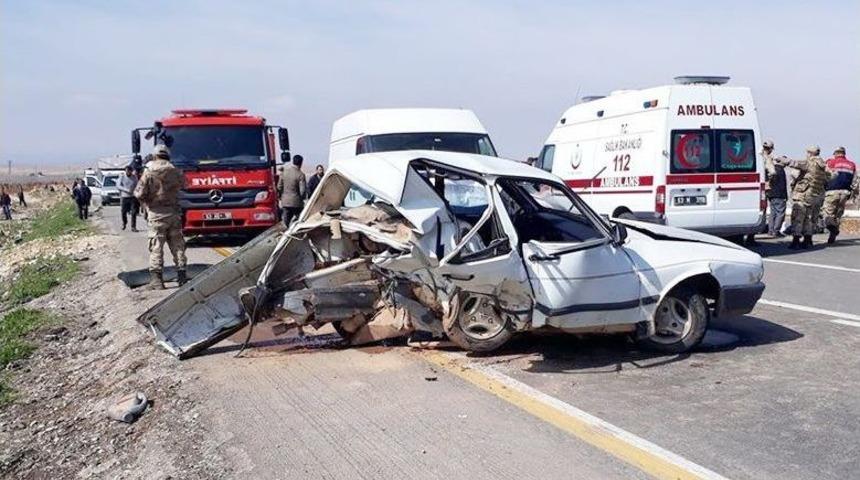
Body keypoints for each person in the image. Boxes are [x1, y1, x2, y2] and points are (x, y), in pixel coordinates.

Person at [134, 145, 187, 289]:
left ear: (155, 155)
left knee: (156, 246)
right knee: (178, 245)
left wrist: (147, 202)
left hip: (156, 214)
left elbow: (139, 193)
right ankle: (182, 276)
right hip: (174, 213)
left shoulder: (149, 171)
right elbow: (185, 185)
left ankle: (157, 281)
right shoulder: (175, 170)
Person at [777, 146, 829, 249]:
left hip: (804, 195)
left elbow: (794, 163)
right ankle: (808, 240)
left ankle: (796, 241)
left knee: (798, 217)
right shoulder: (823, 166)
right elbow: (832, 176)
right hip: (816, 195)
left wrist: (780, 159)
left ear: (809, 153)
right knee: (810, 219)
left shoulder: (809, 163)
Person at [823, 147, 857, 244]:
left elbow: (824, 177)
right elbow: (854, 181)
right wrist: (851, 193)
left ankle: (833, 229)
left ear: (835, 153)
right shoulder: (852, 164)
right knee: (838, 215)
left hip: (832, 192)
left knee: (827, 214)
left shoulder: (830, 162)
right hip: (845, 193)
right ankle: (832, 237)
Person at [277, 154, 307, 226]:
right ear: (301, 163)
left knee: (285, 223)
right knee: (300, 222)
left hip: (285, 202)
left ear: (293, 161)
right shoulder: (300, 175)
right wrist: (302, 198)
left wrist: (282, 196)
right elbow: (302, 191)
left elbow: (279, 187)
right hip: (297, 203)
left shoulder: (284, 173)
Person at [765, 148, 788, 237]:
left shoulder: (772, 169)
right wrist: (785, 197)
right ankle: (776, 231)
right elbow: (782, 186)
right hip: (779, 195)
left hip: (771, 195)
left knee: (773, 213)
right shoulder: (781, 170)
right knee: (780, 214)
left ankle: (770, 231)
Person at [117, 166, 139, 231]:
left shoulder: (134, 177)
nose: (128, 172)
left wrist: (136, 191)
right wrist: (126, 189)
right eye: (127, 171)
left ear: (131, 171)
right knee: (123, 212)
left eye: (129, 171)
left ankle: (133, 226)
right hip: (124, 196)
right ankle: (124, 223)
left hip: (133, 197)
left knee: (134, 212)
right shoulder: (122, 177)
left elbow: (137, 185)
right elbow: (118, 186)